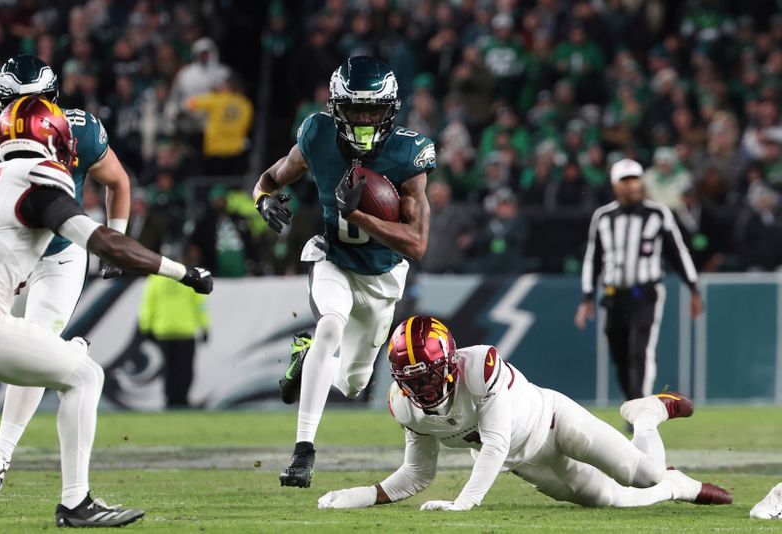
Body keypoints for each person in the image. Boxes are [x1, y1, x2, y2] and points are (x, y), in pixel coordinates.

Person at [0, 96, 212, 526]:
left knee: (59, 356)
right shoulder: (38, 176)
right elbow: (104, 243)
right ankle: (75, 502)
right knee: (85, 375)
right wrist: (183, 273)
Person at [318, 316, 732, 511]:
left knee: (642, 475)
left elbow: (495, 441)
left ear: (449, 363)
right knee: (613, 502)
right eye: (413, 381)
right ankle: (681, 486)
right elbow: (417, 475)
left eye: (427, 377)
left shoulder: (480, 366)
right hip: (528, 465)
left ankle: (647, 415)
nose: (422, 390)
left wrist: (464, 503)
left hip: (554, 422)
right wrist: (362, 495)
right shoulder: (405, 405)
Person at [252, 56, 434, 488]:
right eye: (356, 109)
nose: (366, 119)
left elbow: (418, 244)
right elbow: (273, 177)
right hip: (332, 258)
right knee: (329, 327)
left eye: (374, 110)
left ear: (390, 109)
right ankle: (303, 452)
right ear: (337, 107)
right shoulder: (316, 134)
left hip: (382, 276)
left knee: (354, 383)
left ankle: (305, 356)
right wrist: (261, 198)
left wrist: (361, 215)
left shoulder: (409, 153)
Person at [0, 54, 132, 483]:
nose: (27, 115)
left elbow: (117, 181)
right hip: (5, 255)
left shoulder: (79, 132)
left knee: (38, 342)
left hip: (59, 254)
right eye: (16, 104)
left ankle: (1, 456)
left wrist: (114, 242)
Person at [575, 159, 704, 402]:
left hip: (646, 293)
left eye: (634, 179)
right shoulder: (603, 217)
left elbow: (677, 252)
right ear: (615, 185)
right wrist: (587, 296)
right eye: (625, 180)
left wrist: (694, 289)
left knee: (640, 351)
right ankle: (633, 402)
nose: (631, 185)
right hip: (613, 295)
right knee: (621, 356)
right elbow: (593, 258)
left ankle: (640, 407)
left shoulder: (658, 213)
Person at [139, 244, 210, 408]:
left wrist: (146, 327)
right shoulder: (188, 277)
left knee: (169, 369)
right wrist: (205, 327)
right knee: (185, 369)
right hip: (185, 330)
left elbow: (147, 305)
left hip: (164, 330)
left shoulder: (155, 279)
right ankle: (182, 399)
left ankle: (171, 400)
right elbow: (199, 304)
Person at [185, 73, 254, 176]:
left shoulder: (216, 99)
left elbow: (190, 104)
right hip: (236, 150)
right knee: (233, 184)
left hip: (215, 149)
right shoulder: (246, 104)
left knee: (215, 184)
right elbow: (247, 127)